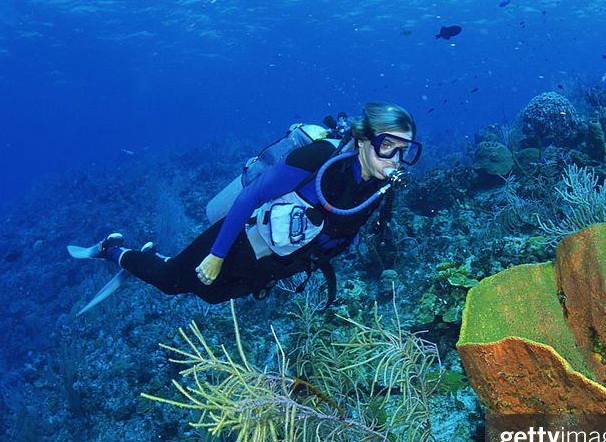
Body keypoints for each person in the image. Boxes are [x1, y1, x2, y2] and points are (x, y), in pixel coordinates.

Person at [69, 102, 420, 312]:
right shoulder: (318, 158)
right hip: (243, 238)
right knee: (172, 282)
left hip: (284, 260)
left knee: (211, 295)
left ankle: (154, 255)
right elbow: (250, 197)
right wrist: (217, 254)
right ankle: (113, 249)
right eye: (387, 146)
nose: (396, 160)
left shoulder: (381, 186)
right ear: (361, 140)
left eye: (404, 150)